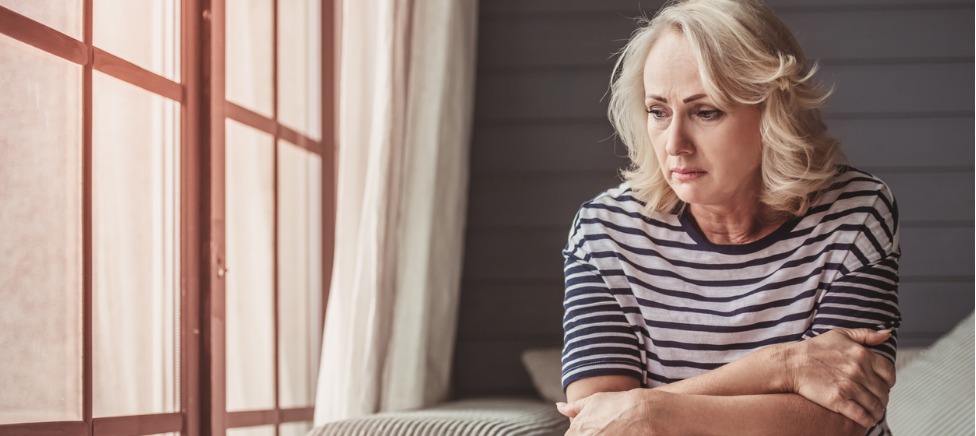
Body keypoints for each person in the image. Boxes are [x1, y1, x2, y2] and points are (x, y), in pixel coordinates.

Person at [555, 0, 901, 435]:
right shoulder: (605, 231)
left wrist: (650, 411)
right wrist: (783, 365)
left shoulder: (855, 211)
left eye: (706, 111)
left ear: (773, 113)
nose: (674, 143)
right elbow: (597, 425)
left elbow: (841, 420)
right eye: (658, 112)